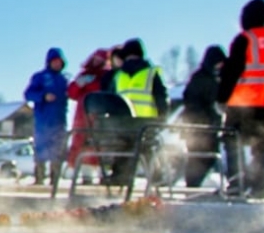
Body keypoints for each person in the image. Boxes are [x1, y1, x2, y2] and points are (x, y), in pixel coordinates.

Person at [219, 0, 264, 197]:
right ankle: (260, 188)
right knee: (263, 147)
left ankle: (235, 183)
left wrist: (222, 99)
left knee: (232, 140)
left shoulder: (245, 39)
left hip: (245, 102)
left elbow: (232, 72)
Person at [101, 38, 168, 185]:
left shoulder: (118, 76)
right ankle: (156, 179)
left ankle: (120, 178)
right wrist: (163, 118)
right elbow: (160, 97)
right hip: (146, 124)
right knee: (148, 149)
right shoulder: (150, 73)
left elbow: (108, 99)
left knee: (124, 148)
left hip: (121, 126)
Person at [179, 45, 226, 188]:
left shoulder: (209, 77)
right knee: (199, 158)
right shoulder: (203, 78)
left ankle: (194, 184)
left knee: (206, 157)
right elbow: (194, 102)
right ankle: (192, 185)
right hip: (199, 126)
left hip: (206, 126)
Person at [65, 48, 114, 183]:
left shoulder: (107, 76)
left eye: (101, 59)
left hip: (99, 115)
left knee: (99, 144)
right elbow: (72, 93)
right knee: (81, 144)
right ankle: (86, 176)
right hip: (81, 115)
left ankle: (103, 175)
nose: (97, 61)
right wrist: (78, 84)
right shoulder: (84, 74)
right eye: (96, 58)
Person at [23, 48, 70, 185]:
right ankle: (39, 178)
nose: (57, 64)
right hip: (43, 122)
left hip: (60, 121)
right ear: (49, 62)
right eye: (54, 61)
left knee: (58, 152)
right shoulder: (40, 77)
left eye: (59, 62)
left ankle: (54, 180)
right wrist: (43, 96)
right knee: (41, 151)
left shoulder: (64, 79)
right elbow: (28, 94)